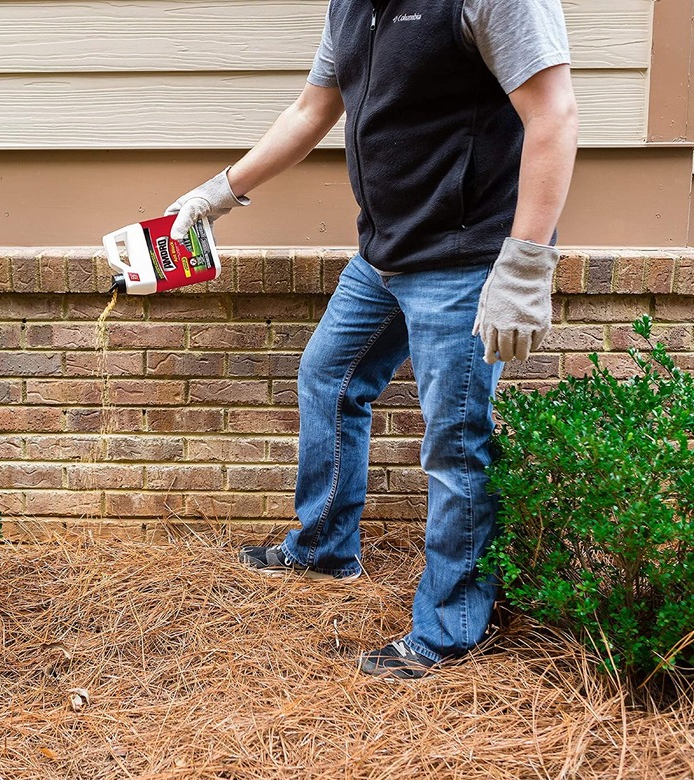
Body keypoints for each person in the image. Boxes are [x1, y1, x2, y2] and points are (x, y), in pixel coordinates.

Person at [166, 0, 578, 679]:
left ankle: (452, 630)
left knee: (455, 444)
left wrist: (526, 264)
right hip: (384, 255)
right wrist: (221, 192)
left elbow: (553, 113)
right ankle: (326, 547)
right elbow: (311, 110)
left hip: (465, 259)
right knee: (329, 376)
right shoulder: (352, 5)